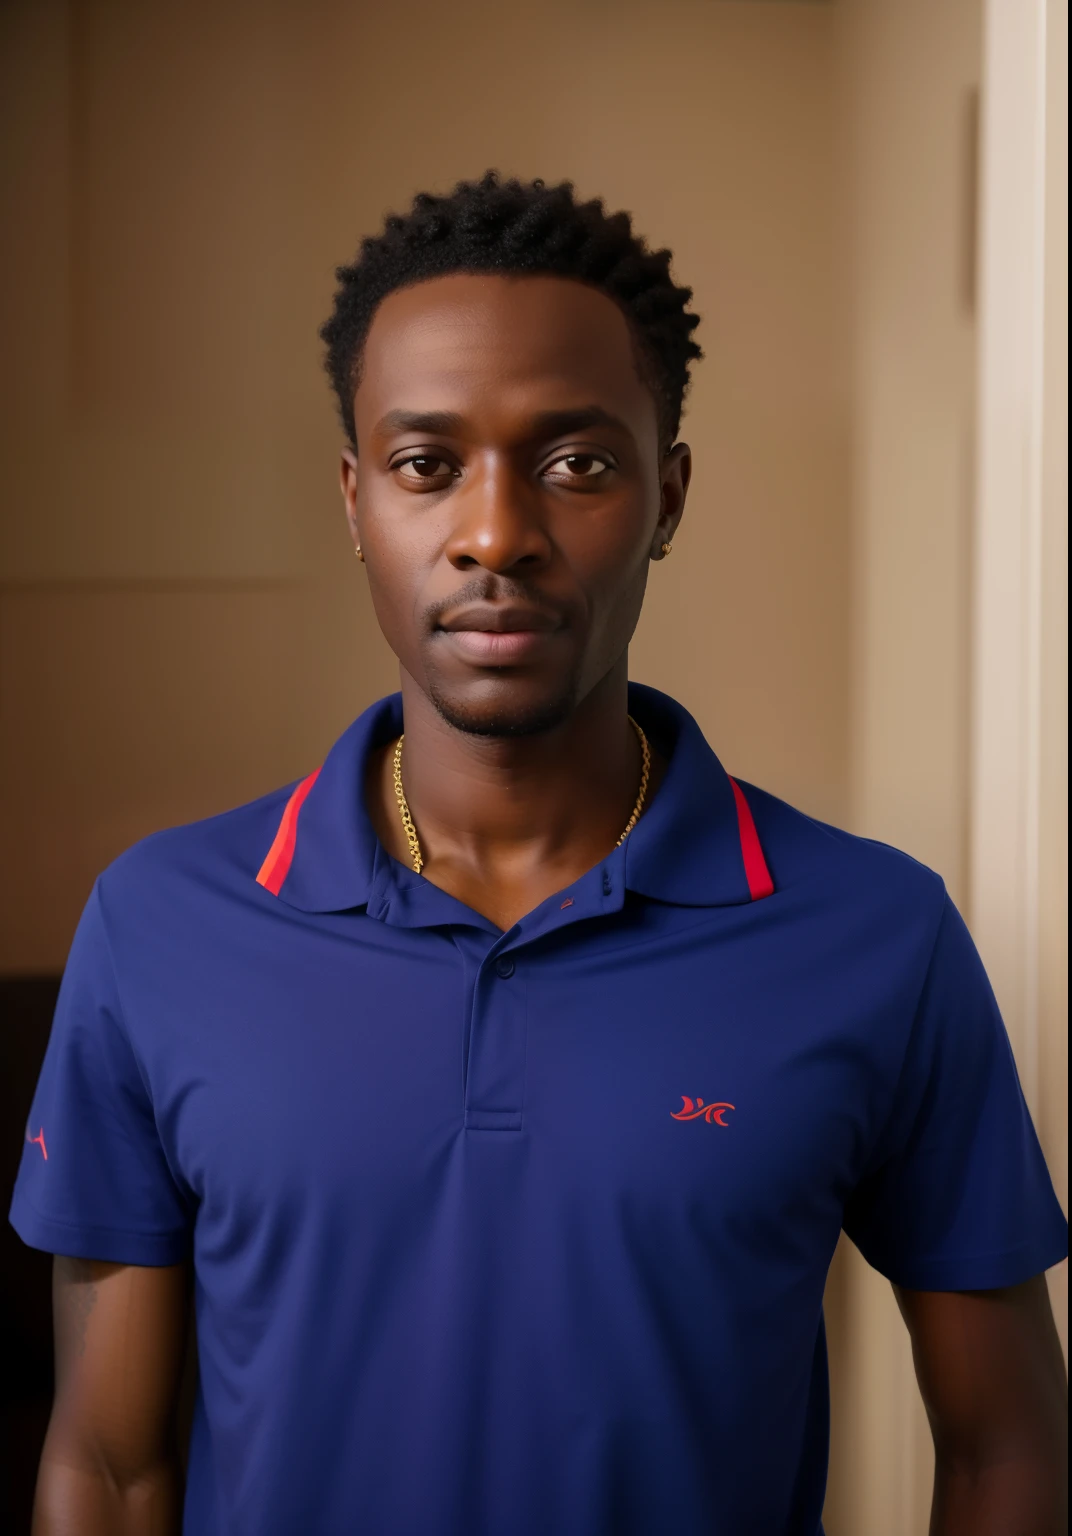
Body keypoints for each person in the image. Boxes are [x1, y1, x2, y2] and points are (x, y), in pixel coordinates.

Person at [11, 173, 1067, 1536]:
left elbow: (1006, 1450)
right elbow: (104, 1464)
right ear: (353, 501)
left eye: (575, 463)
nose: (496, 533)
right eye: (424, 463)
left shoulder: (877, 935)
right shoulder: (159, 926)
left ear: (667, 497)